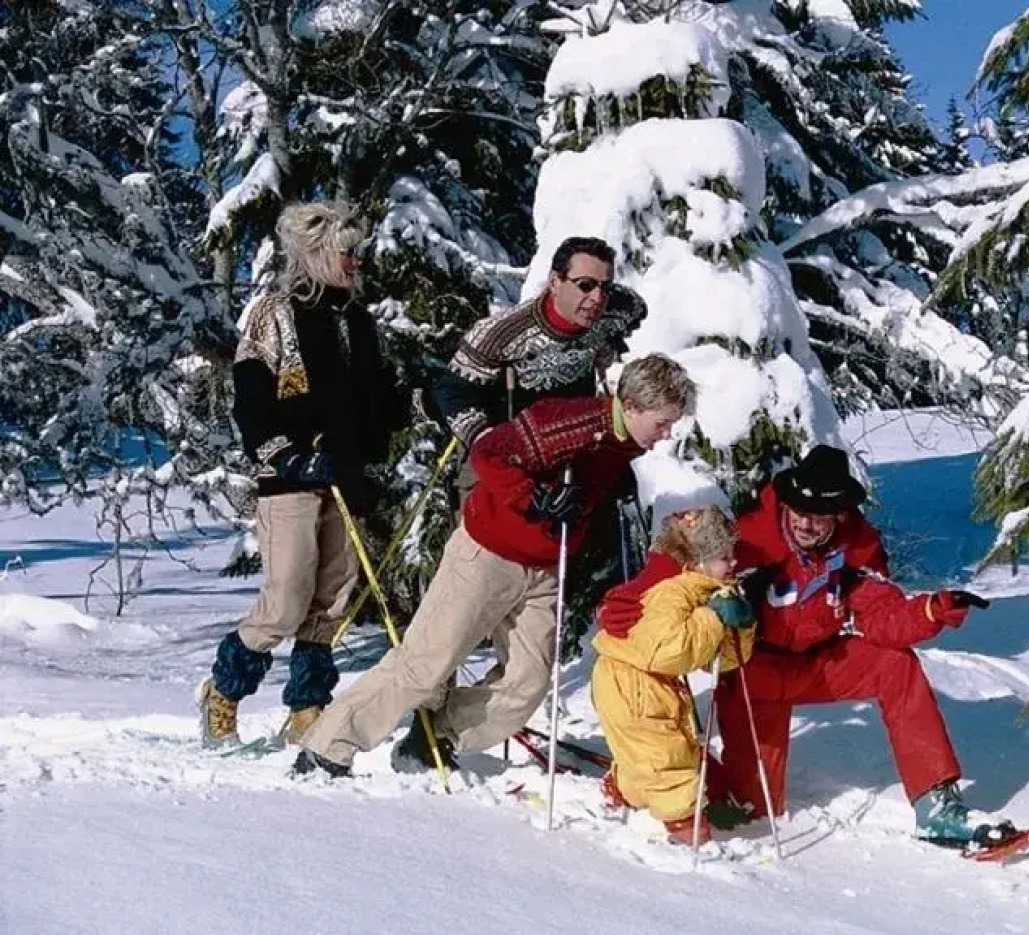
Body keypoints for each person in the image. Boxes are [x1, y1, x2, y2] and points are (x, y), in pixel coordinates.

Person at [292, 353, 696, 778]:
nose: (665, 435)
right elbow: (489, 453)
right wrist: (533, 498)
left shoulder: (623, 442)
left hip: (542, 571)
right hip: (488, 554)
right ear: (631, 405)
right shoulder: (566, 422)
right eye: (661, 423)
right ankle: (326, 748)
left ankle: (437, 736)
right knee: (424, 666)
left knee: (528, 683)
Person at [599, 445, 1014, 848]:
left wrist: (931, 611)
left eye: (819, 517)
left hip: (820, 664)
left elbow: (881, 615)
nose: (806, 524)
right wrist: (629, 597)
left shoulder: (857, 546)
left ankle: (936, 804)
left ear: (839, 515)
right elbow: (684, 559)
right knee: (754, 811)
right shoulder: (753, 537)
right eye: (799, 512)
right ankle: (657, 780)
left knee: (895, 664)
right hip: (754, 673)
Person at [199, 201, 407, 749]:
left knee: (332, 602)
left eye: (359, 252)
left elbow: (380, 399)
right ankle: (223, 691)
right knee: (287, 598)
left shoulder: (359, 321)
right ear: (316, 254)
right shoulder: (274, 312)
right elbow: (250, 396)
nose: (357, 261)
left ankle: (308, 708)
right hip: (290, 476)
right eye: (349, 252)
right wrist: (284, 452)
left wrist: (413, 402)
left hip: (346, 476)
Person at [589, 506, 755, 846]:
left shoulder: (705, 591)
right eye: (724, 557)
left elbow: (722, 660)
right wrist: (711, 618)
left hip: (650, 684)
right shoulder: (672, 594)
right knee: (664, 760)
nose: (734, 564)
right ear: (697, 563)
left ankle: (625, 788)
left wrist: (742, 625)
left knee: (664, 751)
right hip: (632, 683)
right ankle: (686, 828)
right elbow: (665, 651)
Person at [434, 236, 647, 468]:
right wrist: (486, 439)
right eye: (585, 285)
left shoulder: (615, 308)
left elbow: (636, 310)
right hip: (515, 450)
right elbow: (452, 389)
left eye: (605, 287)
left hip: (579, 442)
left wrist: (610, 345)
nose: (597, 298)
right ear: (555, 282)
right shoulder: (500, 333)